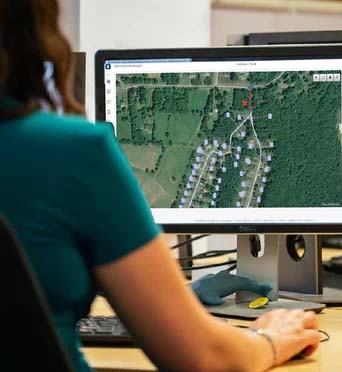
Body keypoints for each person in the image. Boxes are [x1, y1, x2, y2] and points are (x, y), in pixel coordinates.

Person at [0, 1, 321, 371]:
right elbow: (207, 359)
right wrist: (271, 339)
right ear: (34, 30)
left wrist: (169, 298)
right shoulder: (70, 152)